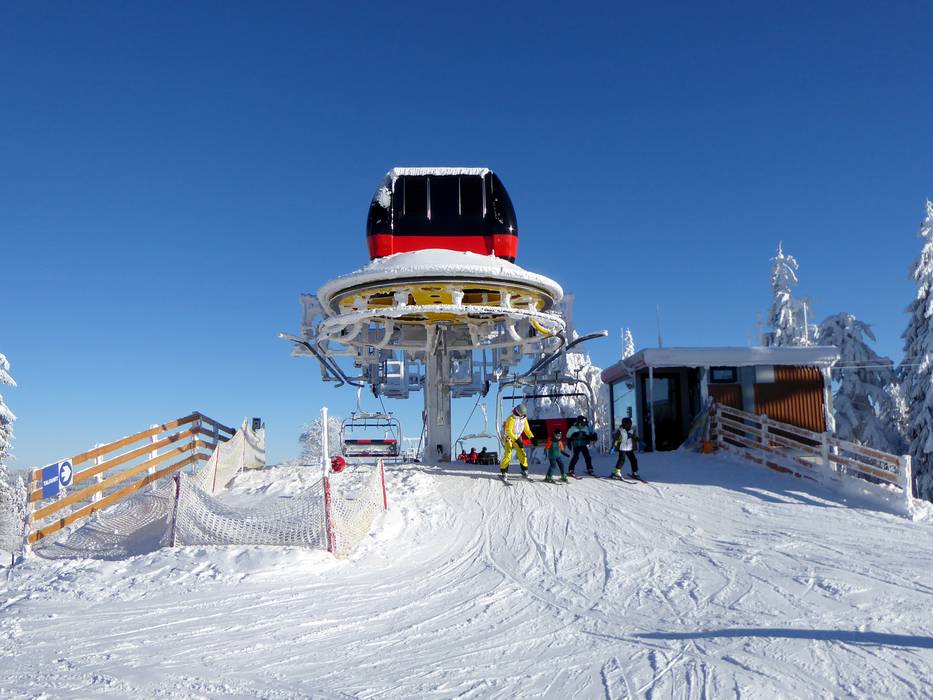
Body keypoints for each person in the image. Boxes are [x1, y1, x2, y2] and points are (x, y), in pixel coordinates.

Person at [500, 403, 533, 481]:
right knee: (508, 453)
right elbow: (508, 431)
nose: (523, 415)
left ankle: (525, 470)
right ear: (518, 412)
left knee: (521, 453)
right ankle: (504, 471)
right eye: (522, 414)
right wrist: (517, 440)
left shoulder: (524, 419)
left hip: (517, 436)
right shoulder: (511, 418)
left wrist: (531, 437)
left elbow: (527, 429)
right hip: (508, 437)